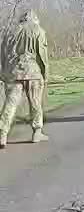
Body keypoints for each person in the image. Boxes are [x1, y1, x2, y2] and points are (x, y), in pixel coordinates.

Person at [0, 10, 49, 149]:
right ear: (34, 19)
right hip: (33, 72)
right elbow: (42, 55)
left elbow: (3, 53)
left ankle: (2, 133)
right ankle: (37, 132)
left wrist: (3, 72)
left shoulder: (10, 32)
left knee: (10, 104)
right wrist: (45, 74)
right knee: (35, 102)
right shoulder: (38, 30)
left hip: (13, 73)